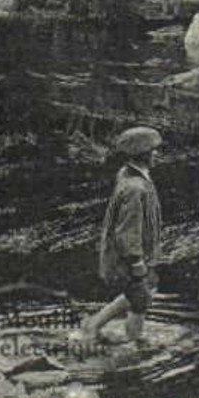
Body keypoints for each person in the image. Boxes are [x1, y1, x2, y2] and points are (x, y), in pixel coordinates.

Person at [77, 126, 163, 347]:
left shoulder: (129, 174)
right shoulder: (135, 188)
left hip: (135, 253)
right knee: (140, 298)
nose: (158, 154)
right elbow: (127, 233)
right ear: (143, 155)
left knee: (146, 288)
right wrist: (137, 263)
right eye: (153, 151)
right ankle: (134, 343)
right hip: (128, 257)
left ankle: (94, 323)